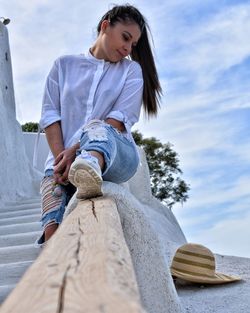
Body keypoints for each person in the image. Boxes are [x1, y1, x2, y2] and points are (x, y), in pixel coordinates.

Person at [37, 4, 162, 245]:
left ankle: (89, 164)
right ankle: (55, 259)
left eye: (133, 44)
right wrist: (61, 160)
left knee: (99, 127)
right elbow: (50, 116)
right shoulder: (63, 65)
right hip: (63, 161)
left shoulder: (131, 70)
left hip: (115, 155)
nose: (127, 48)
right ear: (105, 25)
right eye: (125, 37)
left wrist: (77, 152)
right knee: (52, 210)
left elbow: (118, 120)